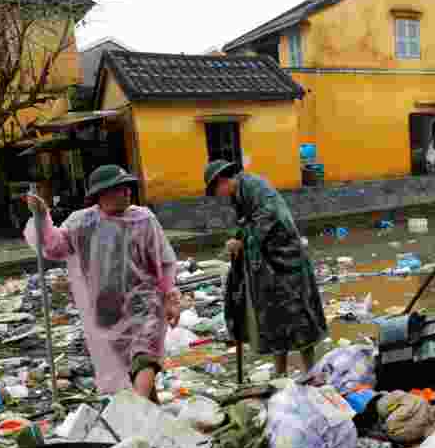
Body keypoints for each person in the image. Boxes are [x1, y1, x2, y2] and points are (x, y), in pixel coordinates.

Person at [24, 165, 181, 402]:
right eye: (120, 188)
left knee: (145, 357)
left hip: (144, 303)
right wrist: (42, 217)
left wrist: (170, 296)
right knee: (133, 368)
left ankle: (137, 413)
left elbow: (164, 261)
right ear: (102, 194)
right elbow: (55, 247)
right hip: (108, 312)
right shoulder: (82, 223)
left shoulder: (143, 219)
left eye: (127, 187)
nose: (128, 192)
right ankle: (150, 416)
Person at [205, 160, 327, 376]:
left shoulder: (255, 186)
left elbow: (268, 218)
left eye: (217, 191)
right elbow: (245, 223)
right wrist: (237, 238)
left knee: (300, 315)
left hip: (287, 259)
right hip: (267, 264)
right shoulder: (239, 194)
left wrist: (244, 242)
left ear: (222, 181)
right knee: (274, 318)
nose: (220, 196)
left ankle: (311, 373)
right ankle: (280, 374)